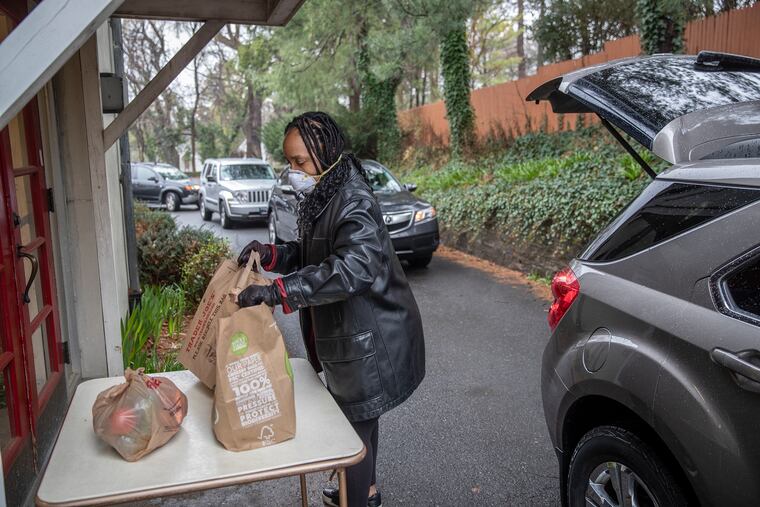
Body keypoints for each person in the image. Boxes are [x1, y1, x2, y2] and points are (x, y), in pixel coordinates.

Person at [236, 111, 425, 507]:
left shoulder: (352, 198)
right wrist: (271, 255)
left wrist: (277, 293)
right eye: (289, 162)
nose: (293, 171)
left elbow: (353, 267)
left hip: (369, 342)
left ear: (325, 151)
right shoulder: (326, 190)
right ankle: (367, 491)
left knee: (350, 436)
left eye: (300, 162)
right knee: (360, 421)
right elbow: (314, 254)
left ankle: (356, 496)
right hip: (353, 340)